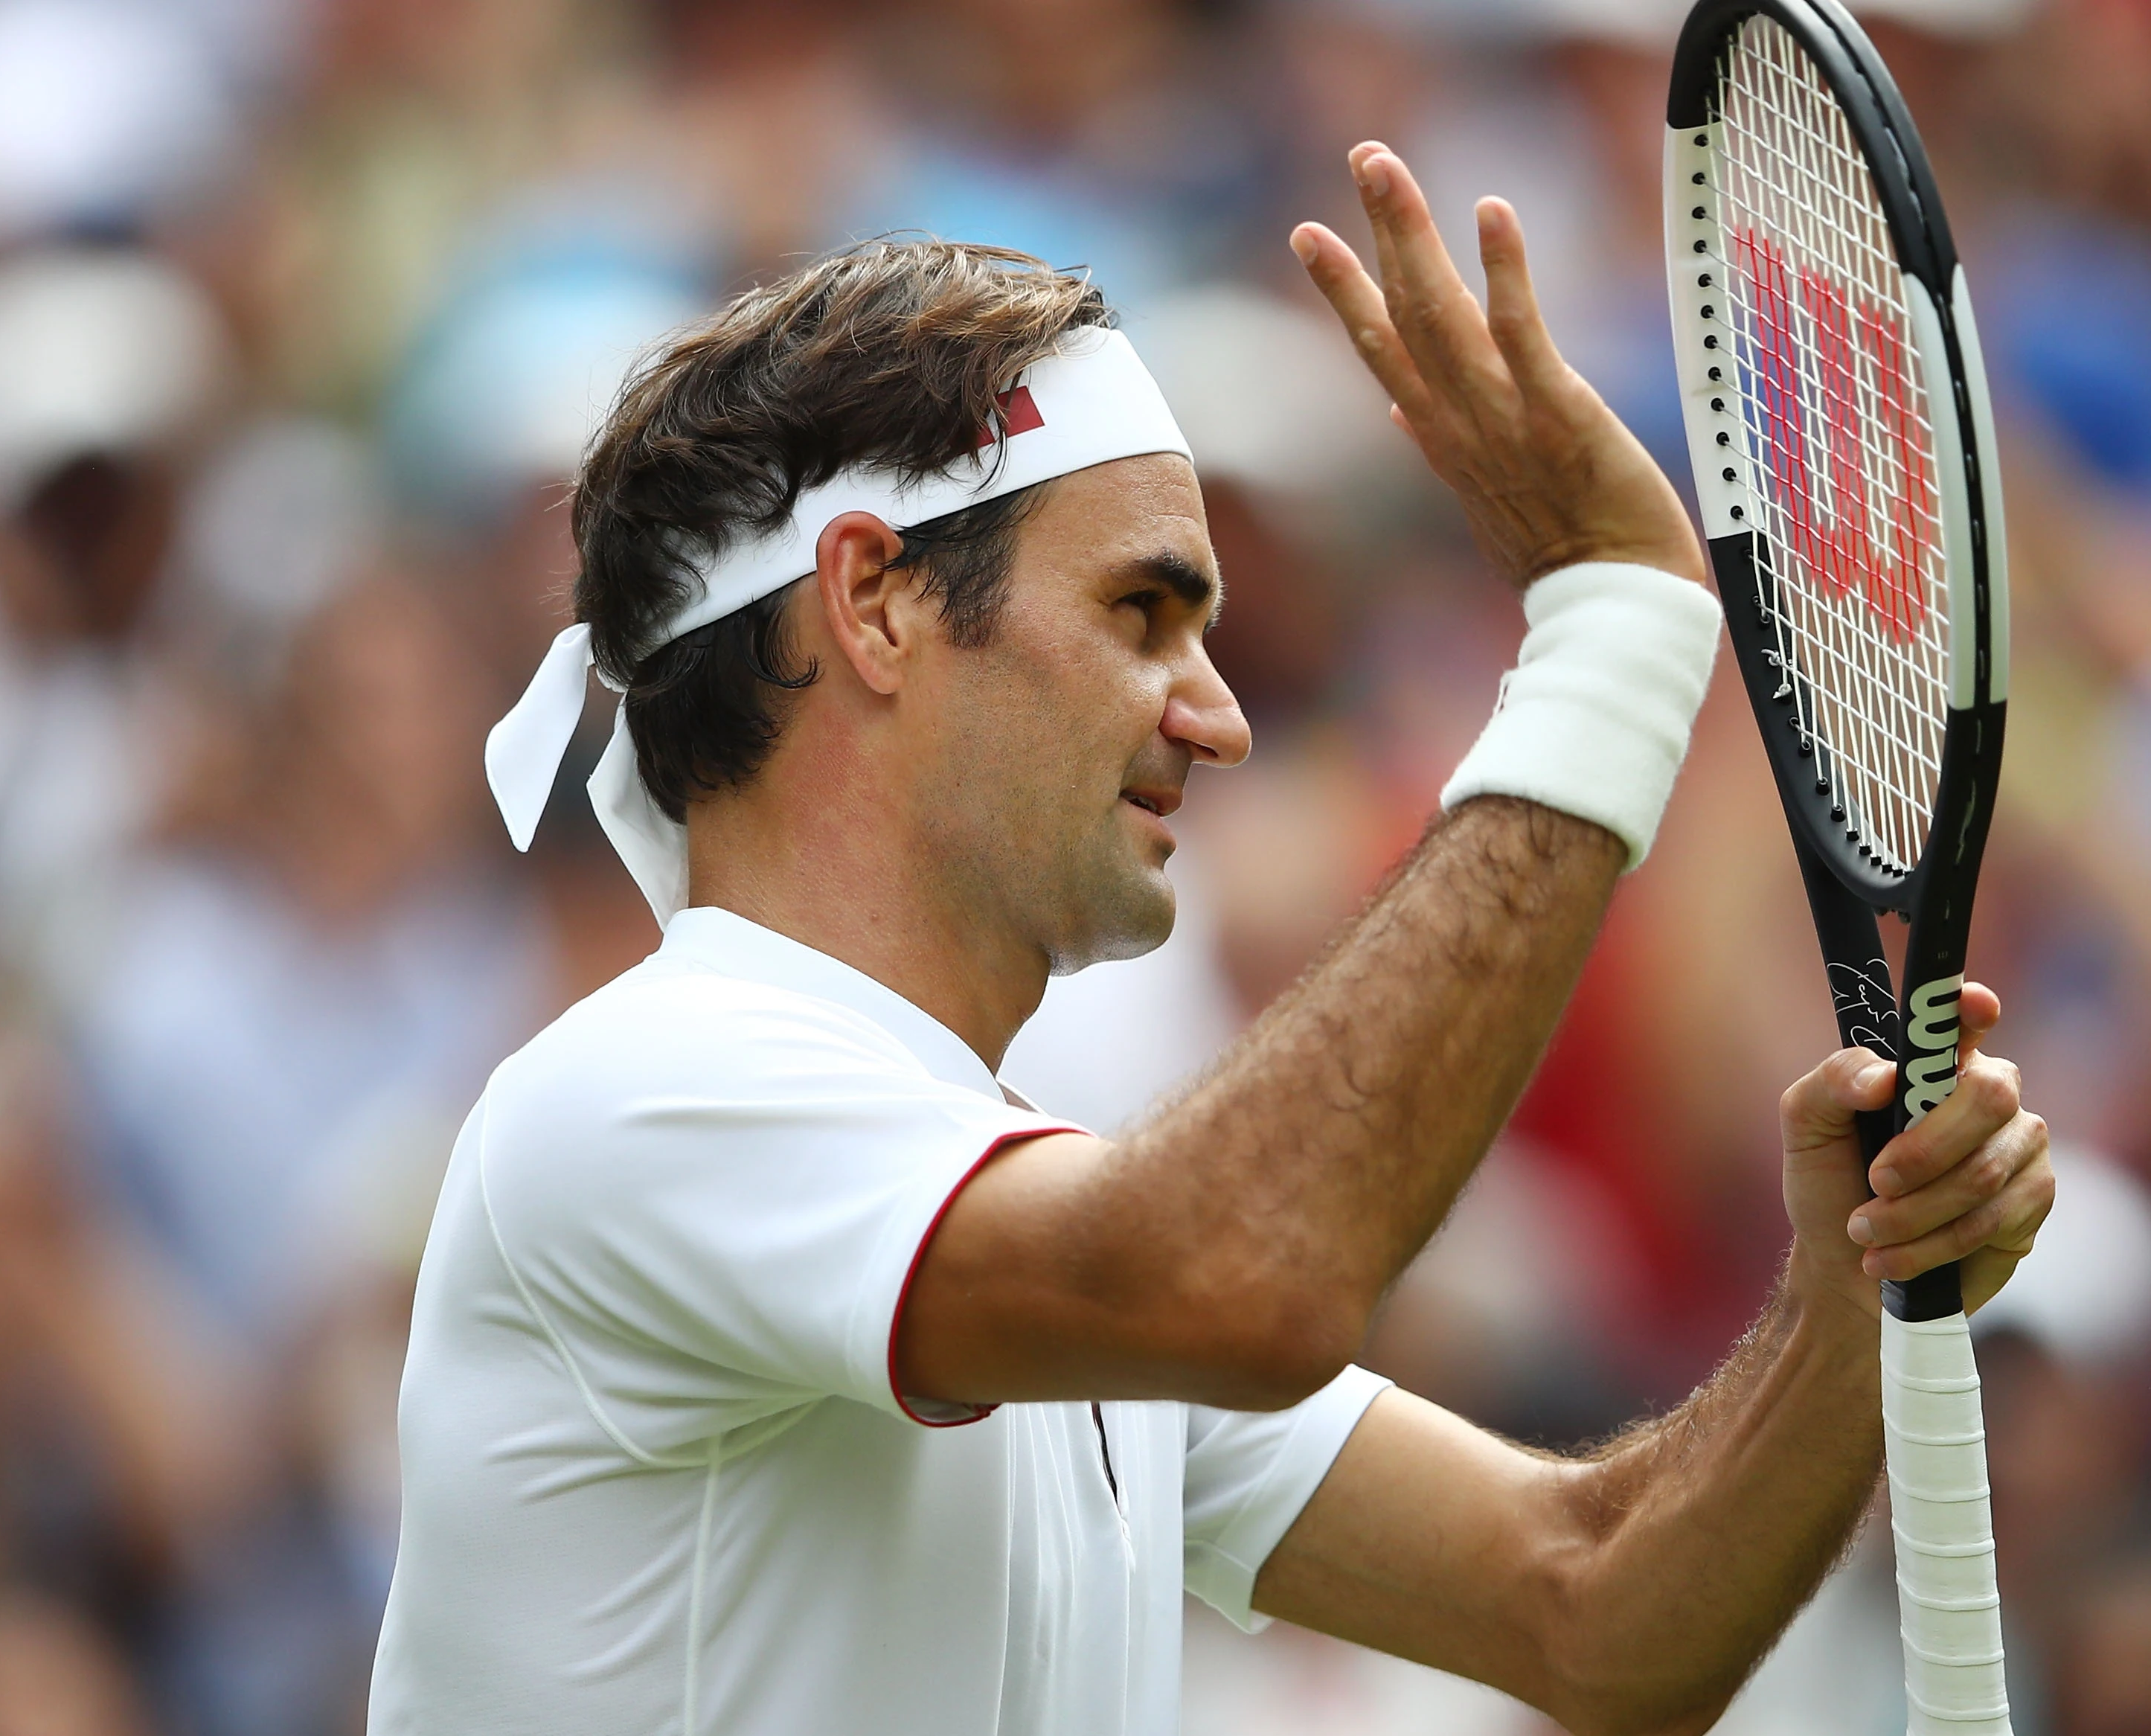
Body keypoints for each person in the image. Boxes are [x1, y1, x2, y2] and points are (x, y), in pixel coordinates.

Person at [371, 143, 2054, 1736]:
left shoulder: (1029, 1229)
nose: (1221, 715)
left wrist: (1862, 1281)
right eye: (1143, 611)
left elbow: (1599, 1607)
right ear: (874, 600)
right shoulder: (650, 1088)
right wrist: (1613, 629)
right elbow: (1249, 1272)